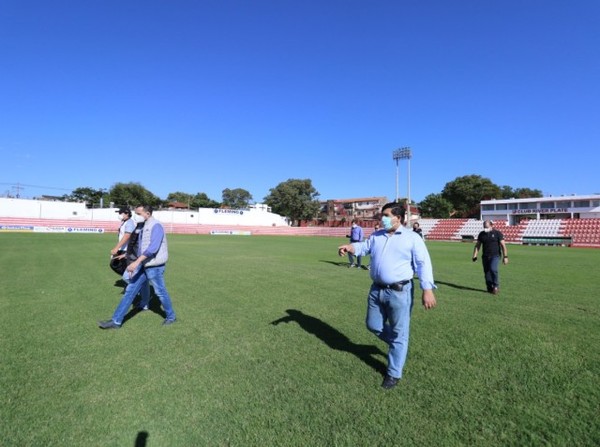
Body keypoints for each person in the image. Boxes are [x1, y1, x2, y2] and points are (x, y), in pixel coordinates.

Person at [338, 202, 437, 390]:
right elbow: (364, 247)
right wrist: (350, 247)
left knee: (399, 332)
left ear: (397, 218)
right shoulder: (377, 236)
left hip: (400, 292)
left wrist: (427, 289)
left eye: (385, 215)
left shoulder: (412, 238)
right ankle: (399, 344)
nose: (381, 218)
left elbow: (423, 264)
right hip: (376, 290)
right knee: (373, 325)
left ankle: (393, 373)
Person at [99, 205, 176, 329]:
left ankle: (171, 317)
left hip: (154, 266)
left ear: (148, 213)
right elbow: (140, 248)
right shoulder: (143, 226)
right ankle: (116, 321)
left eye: (138, 213)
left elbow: (153, 248)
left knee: (160, 292)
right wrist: (127, 256)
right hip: (143, 264)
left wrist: (136, 262)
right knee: (130, 291)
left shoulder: (156, 225)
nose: (136, 216)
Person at [472, 220, 508, 295]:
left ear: (492, 225)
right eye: (484, 227)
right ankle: (489, 287)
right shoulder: (481, 234)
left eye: (487, 227)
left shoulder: (497, 233)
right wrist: (475, 255)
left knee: (493, 269)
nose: (485, 228)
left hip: (495, 255)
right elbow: (478, 245)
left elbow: (503, 245)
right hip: (485, 256)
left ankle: (496, 286)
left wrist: (505, 257)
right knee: (487, 273)